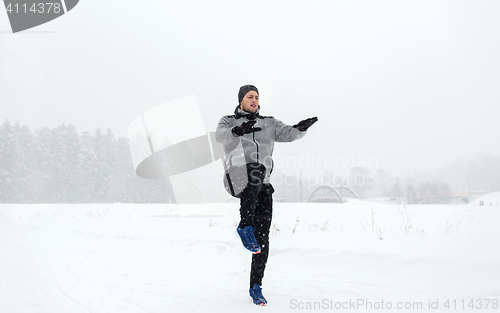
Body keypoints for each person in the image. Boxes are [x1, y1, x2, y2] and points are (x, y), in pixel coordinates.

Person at [215, 85, 318, 306]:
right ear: (241, 100)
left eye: (257, 97)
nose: (254, 100)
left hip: (262, 184)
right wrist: (238, 131)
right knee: (256, 168)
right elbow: (220, 137)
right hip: (236, 176)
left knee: (262, 239)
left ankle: (256, 287)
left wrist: (301, 129)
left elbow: (289, 133)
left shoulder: (269, 123)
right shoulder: (228, 121)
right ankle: (244, 225)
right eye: (249, 96)